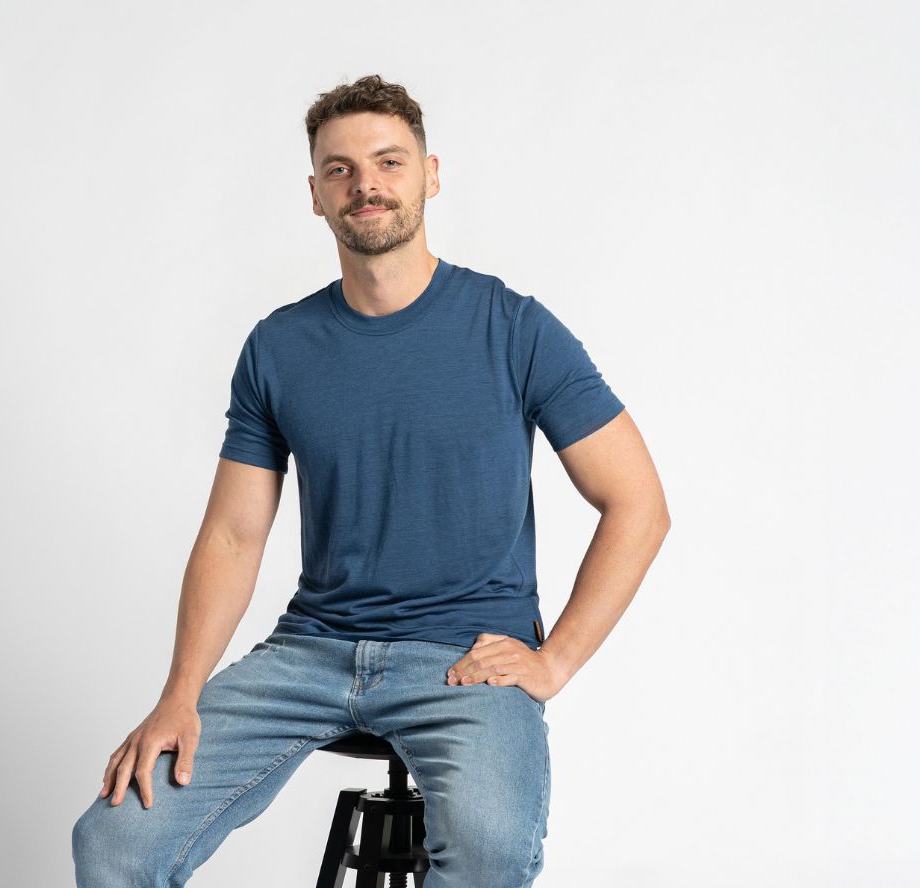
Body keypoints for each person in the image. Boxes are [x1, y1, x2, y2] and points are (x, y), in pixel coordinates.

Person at [71, 74, 671, 888]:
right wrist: (180, 694)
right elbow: (233, 535)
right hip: (310, 653)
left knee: (490, 852)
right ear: (316, 194)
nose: (366, 184)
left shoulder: (513, 328)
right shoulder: (279, 346)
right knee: (115, 841)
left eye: (389, 161)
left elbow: (637, 503)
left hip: (464, 658)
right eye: (341, 169)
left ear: (430, 175)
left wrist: (555, 659)